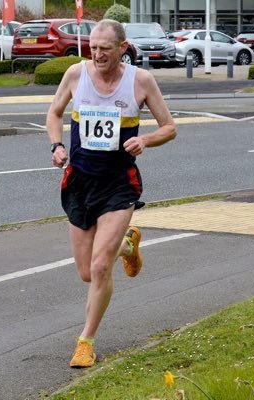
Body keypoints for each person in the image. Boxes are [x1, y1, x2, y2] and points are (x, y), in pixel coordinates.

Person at [46, 19, 176, 368]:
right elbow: (54, 113)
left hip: (119, 184)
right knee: (87, 272)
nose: (98, 54)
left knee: (101, 267)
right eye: (93, 47)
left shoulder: (141, 81)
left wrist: (145, 139)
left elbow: (169, 127)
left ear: (122, 48)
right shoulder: (76, 74)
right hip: (80, 182)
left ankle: (85, 340)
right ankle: (128, 244)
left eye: (105, 48)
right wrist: (57, 145)